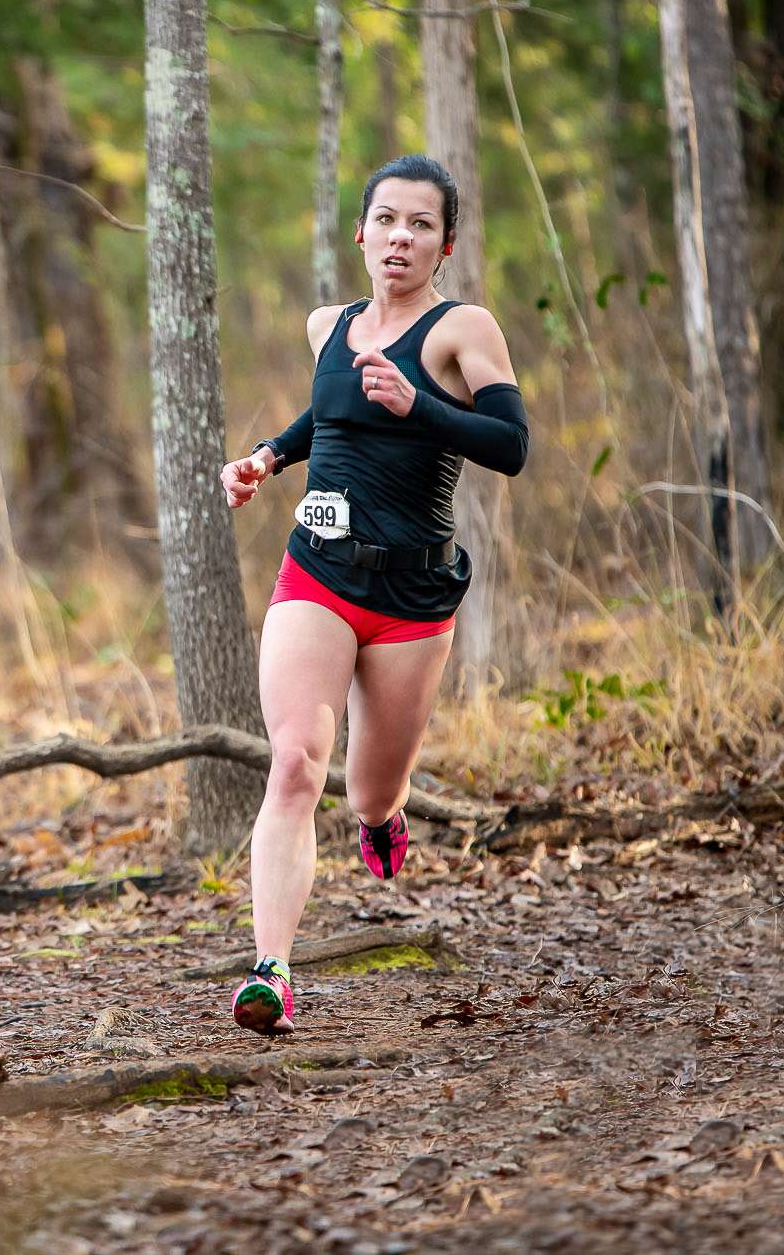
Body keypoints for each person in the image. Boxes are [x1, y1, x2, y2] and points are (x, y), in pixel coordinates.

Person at [219, 155, 529, 1035]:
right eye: (386, 220)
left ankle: (384, 818)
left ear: (446, 244)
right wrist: (267, 459)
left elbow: (511, 445)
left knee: (367, 793)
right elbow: (329, 416)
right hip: (318, 570)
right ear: (361, 232)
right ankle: (270, 973)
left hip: (412, 592)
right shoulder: (330, 324)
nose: (401, 236)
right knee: (294, 762)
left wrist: (419, 406)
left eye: (420, 224)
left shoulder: (460, 329)